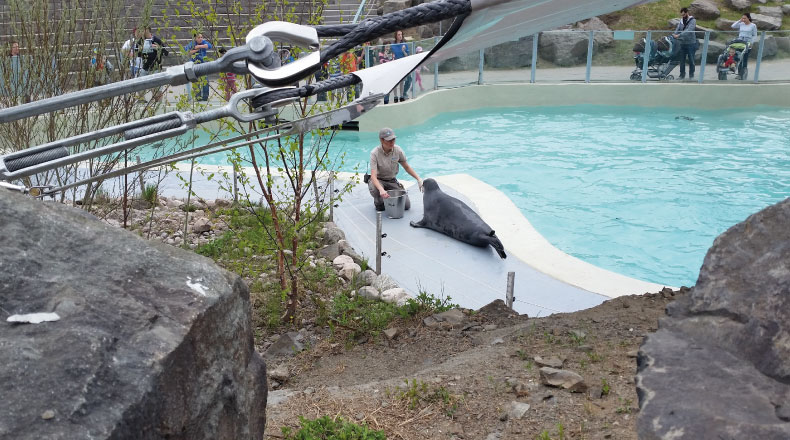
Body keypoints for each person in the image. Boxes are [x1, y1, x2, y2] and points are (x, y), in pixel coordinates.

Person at [368, 127, 423, 212]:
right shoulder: (374, 153)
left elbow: (407, 167)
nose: (392, 142)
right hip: (378, 181)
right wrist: (381, 190)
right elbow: (373, 176)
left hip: (391, 180)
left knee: (406, 205)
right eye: (389, 140)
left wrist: (418, 179)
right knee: (380, 204)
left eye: (393, 139)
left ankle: (389, 193)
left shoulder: (398, 150)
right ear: (382, 140)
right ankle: (378, 201)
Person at [184, 32, 213, 101]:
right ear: (195, 38)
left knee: (205, 81)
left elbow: (209, 46)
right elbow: (187, 51)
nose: (200, 39)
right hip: (195, 65)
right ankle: (198, 97)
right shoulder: (192, 43)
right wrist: (196, 50)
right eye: (198, 37)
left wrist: (199, 46)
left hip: (203, 64)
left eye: (201, 37)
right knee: (196, 81)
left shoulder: (204, 42)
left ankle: (205, 96)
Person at [672, 7, 697, 80]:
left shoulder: (693, 21)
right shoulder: (681, 21)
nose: (682, 16)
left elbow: (689, 30)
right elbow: (678, 28)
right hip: (682, 43)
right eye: (681, 15)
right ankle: (682, 75)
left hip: (691, 43)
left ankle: (691, 75)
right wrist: (674, 34)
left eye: (683, 14)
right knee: (682, 60)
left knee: (691, 60)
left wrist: (679, 35)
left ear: (687, 13)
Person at [390, 30, 410, 101]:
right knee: (395, 82)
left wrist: (403, 51)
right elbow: (391, 55)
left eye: (401, 34)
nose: (400, 36)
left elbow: (407, 56)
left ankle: (401, 96)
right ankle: (395, 96)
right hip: (395, 65)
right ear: (396, 36)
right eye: (398, 34)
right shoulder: (392, 45)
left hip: (402, 65)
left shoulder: (405, 44)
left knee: (402, 81)